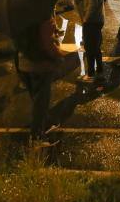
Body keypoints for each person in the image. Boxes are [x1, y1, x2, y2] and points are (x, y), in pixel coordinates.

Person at [13, 14, 74, 144]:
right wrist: (59, 56)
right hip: (40, 67)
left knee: (36, 100)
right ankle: (36, 138)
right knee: (40, 103)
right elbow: (48, 45)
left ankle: (43, 124)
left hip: (23, 65)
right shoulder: (43, 17)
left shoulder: (18, 17)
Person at [73, 0, 105, 81]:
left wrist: (86, 19)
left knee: (90, 47)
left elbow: (93, 4)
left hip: (93, 20)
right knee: (95, 47)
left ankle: (91, 74)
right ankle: (99, 70)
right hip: (91, 20)